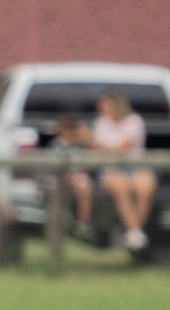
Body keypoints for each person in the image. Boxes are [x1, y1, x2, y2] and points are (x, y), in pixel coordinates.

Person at [62, 90, 155, 252]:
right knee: (120, 186)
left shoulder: (134, 121)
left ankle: (133, 232)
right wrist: (88, 141)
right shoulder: (101, 122)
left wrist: (95, 144)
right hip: (111, 168)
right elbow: (97, 150)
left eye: (104, 103)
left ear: (115, 104)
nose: (101, 107)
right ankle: (135, 234)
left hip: (134, 166)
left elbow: (123, 148)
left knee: (144, 187)